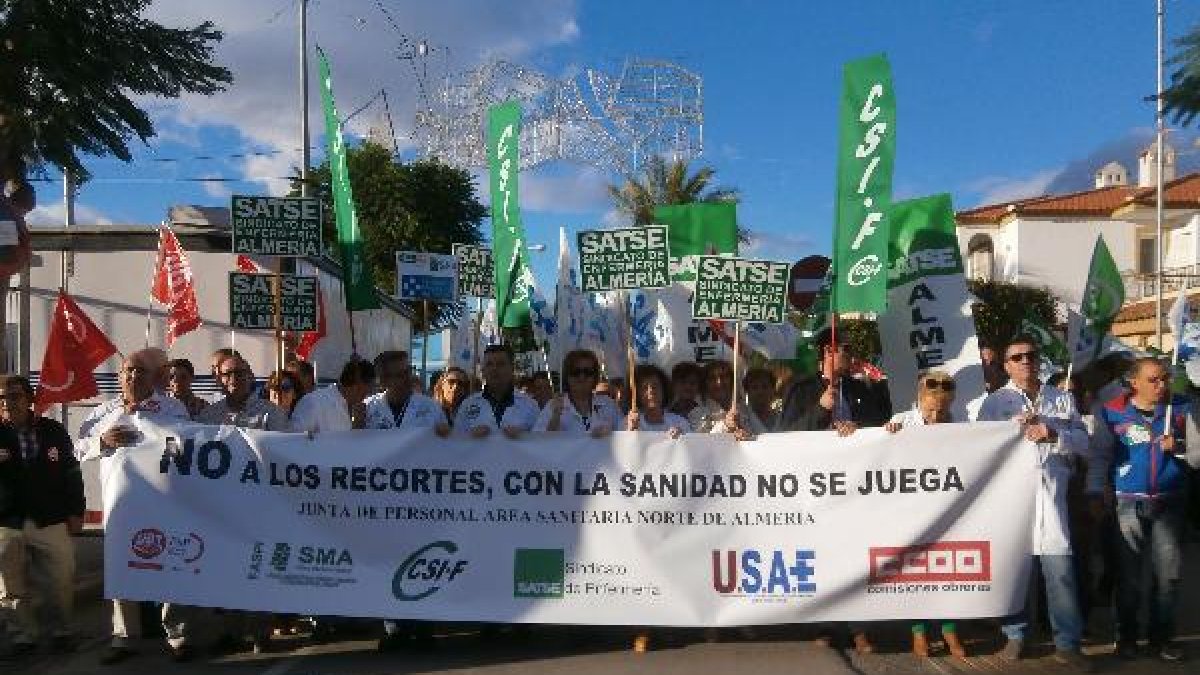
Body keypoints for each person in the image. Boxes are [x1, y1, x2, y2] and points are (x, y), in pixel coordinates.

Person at [976, 335, 1091, 671]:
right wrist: (1010, 431)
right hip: (1013, 502)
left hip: (1054, 498)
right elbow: (978, 449)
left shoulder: (1061, 398)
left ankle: (1067, 643)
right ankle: (1015, 636)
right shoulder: (994, 403)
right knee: (1017, 573)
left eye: (1031, 355)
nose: (1026, 361)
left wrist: (1054, 435)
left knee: (1060, 574)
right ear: (1007, 365)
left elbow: (1084, 443)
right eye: (1017, 357)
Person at [75, 349, 191, 665]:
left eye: (139, 370)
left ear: (154, 375)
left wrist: (148, 425)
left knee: (170, 565)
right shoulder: (103, 412)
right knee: (121, 568)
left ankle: (177, 635)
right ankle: (124, 636)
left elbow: (183, 445)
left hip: (162, 501)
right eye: (127, 370)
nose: (131, 376)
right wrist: (102, 441)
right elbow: (79, 448)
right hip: (121, 505)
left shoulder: (172, 407)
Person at [1089, 357, 1200, 662]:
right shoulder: (1111, 412)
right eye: (1153, 379)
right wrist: (1095, 491)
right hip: (1128, 502)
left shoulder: (1183, 408)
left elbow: (1197, 456)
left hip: (1171, 502)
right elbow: (1099, 456)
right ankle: (1126, 637)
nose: (1161, 385)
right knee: (1129, 578)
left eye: (1164, 378)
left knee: (1169, 576)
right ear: (1134, 382)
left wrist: (1176, 446)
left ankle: (1161, 638)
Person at [195, 355, 288, 654]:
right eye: (226, 374)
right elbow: (190, 453)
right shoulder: (208, 416)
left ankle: (261, 632)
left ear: (251, 376)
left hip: (260, 507)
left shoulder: (270, 413)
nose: (233, 378)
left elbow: (287, 454)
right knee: (225, 569)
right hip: (222, 508)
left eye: (239, 372)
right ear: (218, 380)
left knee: (258, 568)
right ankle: (230, 632)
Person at [884, 371, 967, 659]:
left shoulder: (959, 423)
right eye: (932, 407)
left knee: (945, 569)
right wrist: (887, 435)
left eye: (942, 408)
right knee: (915, 569)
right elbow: (883, 454)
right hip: (911, 508)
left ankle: (948, 628)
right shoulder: (901, 421)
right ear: (920, 399)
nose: (936, 413)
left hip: (946, 506)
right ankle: (918, 631)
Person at [0, 375, 84, 657]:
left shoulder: (53, 431)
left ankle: (63, 631)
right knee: (11, 586)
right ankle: (23, 634)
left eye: (14, 396)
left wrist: (76, 511)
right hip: (7, 521)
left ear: (29, 399)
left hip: (50, 518)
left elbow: (72, 474)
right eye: (1, 397)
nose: (7, 402)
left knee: (61, 579)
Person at [779, 329, 890, 434]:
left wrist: (857, 426)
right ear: (829, 350)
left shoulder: (859, 388)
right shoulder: (801, 391)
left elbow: (878, 422)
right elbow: (785, 435)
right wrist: (821, 409)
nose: (852, 355)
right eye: (847, 349)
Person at [440, 345, 539, 439]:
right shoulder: (468, 405)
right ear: (483, 370)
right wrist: (469, 436)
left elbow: (542, 444)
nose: (494, 369)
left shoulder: (530, 405)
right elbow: (456, 442)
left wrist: (526, 437)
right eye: (489, 364)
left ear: (511, 368)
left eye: (501, 364)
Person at [536, 350, 621, 437]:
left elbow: (624, 437)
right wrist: (555, 417)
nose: (582, 377)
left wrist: (630, 425)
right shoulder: (552, 406)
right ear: (567, 376)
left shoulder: (609, 405)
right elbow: (538, 442)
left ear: (595, 376)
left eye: (588, 372)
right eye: (575, 372)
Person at [365, 351, 446, 432]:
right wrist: (357, 426)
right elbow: (359, 442)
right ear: (384, 381)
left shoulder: (431, 408)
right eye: (400, 375)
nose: (408, 378)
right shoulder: (368, 408)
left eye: (409, 371)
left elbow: (444, 441)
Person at [290, 358, 375, 433]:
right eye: (364, 393)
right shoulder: (313, 402)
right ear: (356, 386)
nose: (365, 398)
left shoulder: (357, 410)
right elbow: (294, 441)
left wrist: (358, 427)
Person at [711, 368, 781, 440]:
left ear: (773, 390)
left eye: (765, 387)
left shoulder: (780, 417)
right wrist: (726, 425)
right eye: (755, 387)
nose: (760, 392)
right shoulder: (737, 415)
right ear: (747, 391)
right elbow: (713, 437)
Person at [627, 364, 689, 439]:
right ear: (636, 394)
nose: (651, 391)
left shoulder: (680, 422)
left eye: (655, 386)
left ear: (664, 390)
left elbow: (693, 447)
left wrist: (683, 438)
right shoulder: (626, 423)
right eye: (644, 387)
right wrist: (630, 432)